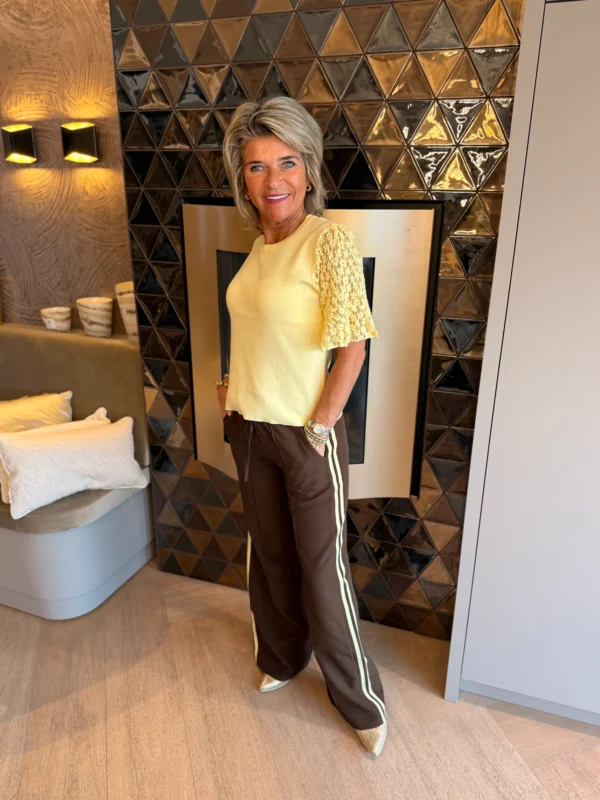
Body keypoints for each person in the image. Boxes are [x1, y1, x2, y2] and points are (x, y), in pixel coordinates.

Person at [219, 96, 386, 757]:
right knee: (270, 556)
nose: (273, 180)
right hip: (249, 428)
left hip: (305, 435)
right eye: (257, 166)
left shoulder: (328, 241)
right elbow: (259, 331)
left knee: (322, 571)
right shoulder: (259, 247)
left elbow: (353, 348)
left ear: (309, 169)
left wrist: (321, 424)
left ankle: (360, 700)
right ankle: (283, 657)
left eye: (286, 162)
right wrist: (230, 386)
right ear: (243, 178)